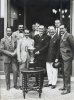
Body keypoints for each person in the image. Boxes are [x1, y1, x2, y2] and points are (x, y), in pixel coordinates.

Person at [59, 25, 74, 95]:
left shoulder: (69, 36)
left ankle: (68, 89)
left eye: (62, 28)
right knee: (64, 73)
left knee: (67, 73)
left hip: (67, 57)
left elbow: (73, 46)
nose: (61, 29)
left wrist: (71, 56)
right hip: (62, 57)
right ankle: (64, 86)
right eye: (60, 28)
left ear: (66, 28)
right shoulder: (62, 35)